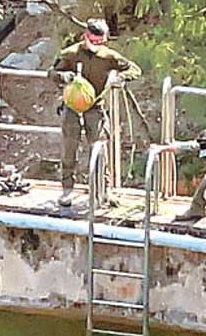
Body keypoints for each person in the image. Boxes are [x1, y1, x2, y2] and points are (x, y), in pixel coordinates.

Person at [48, 19, 142, 207]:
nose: (97, 45)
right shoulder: (70, 54)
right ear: (86, 37)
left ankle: (104, 189)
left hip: (96, 107)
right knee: (69, 148)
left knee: (100, 148)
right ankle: (67, 188)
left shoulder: (108, 57)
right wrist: (62, 76)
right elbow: (51, 72)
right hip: (72, 107)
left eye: (101, 42)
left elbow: (134, 69)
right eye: (94, 41)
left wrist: (120, 77)